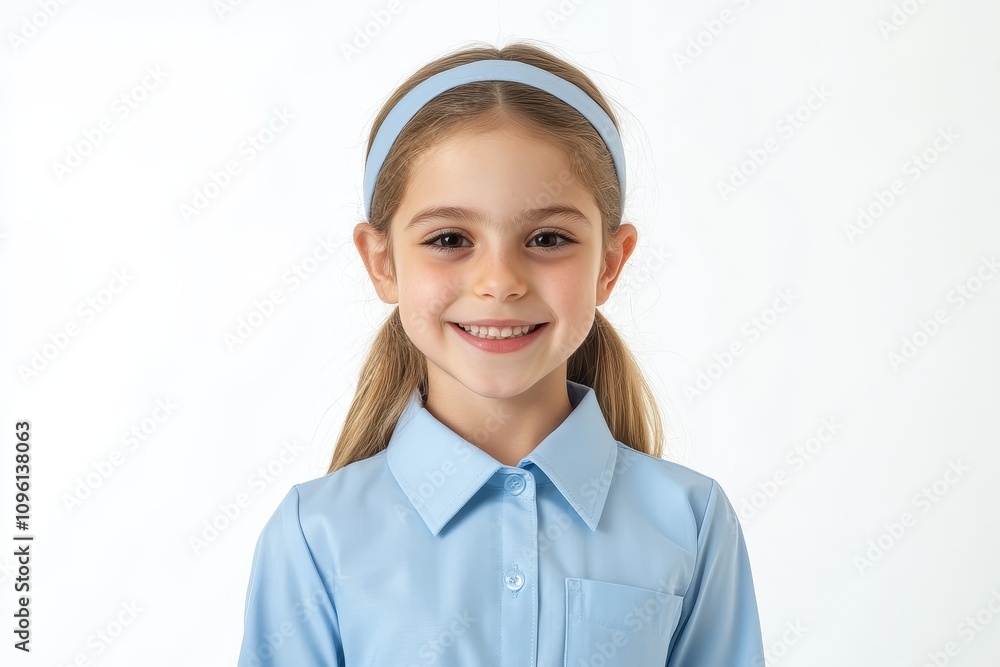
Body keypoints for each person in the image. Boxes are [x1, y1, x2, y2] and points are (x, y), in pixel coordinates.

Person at [237, 39, 765, 666]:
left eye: (547, 238)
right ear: (382, 263)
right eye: (450, 238)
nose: (499, 280)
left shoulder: (691, 523)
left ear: (611, 263)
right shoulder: (314, 536)